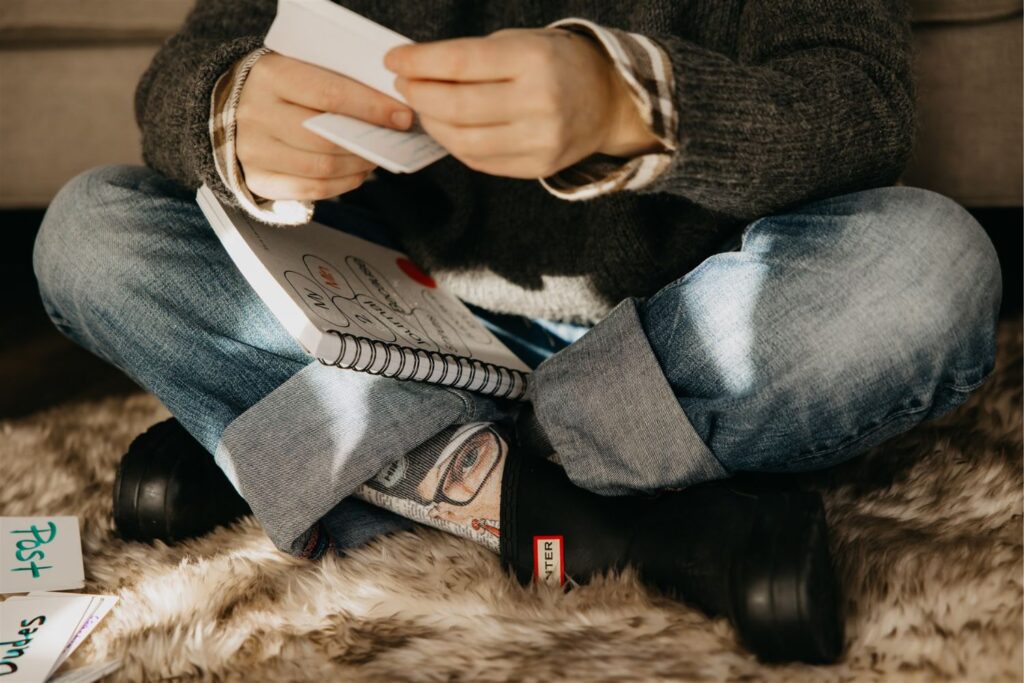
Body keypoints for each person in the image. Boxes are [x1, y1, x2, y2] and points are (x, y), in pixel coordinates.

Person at [32, 0, 1002, 664]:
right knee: (92, 230)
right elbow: (189, 71)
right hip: (389, 309)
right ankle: (617, 514)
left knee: (928, 265)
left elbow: (855, 107)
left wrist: (630, 103)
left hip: (676, 323)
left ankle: (331, 455)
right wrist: (231, 112)